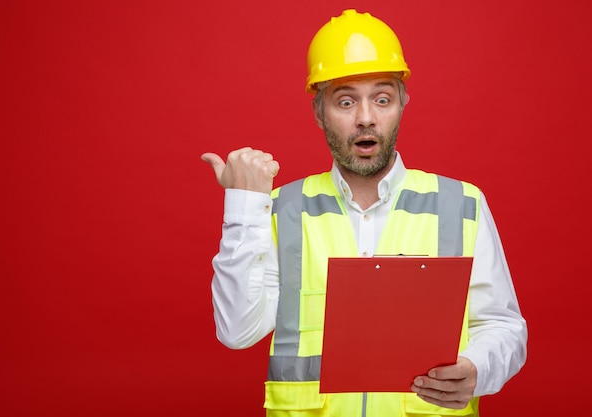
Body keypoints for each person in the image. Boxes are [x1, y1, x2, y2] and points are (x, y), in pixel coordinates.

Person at [201, 9, 527, 417]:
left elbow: (503, 327)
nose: (367, 117)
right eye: (346, 100)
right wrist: (244, 206)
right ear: (319, 112)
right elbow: (236, 331)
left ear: (403, 104)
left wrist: (477, 368)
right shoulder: (280, 210)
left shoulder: (462, 204)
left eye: (383, 98)